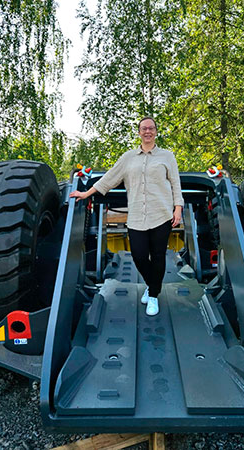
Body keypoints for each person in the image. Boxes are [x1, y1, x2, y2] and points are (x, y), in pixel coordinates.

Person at [69, 117, 184, 316]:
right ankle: (152, 285)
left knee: (158, 256)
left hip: (162, 214)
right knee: (139, 255)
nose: (147, 131)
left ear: (156, 131)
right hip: (137, 216)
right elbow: (109, 178)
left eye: (151, 128)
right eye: (144, 128)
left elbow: (175, 183)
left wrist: (178, 208)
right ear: (139, 132)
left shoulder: (167, 156)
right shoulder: (128, 157)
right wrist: (86, 193)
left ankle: (153, 295)